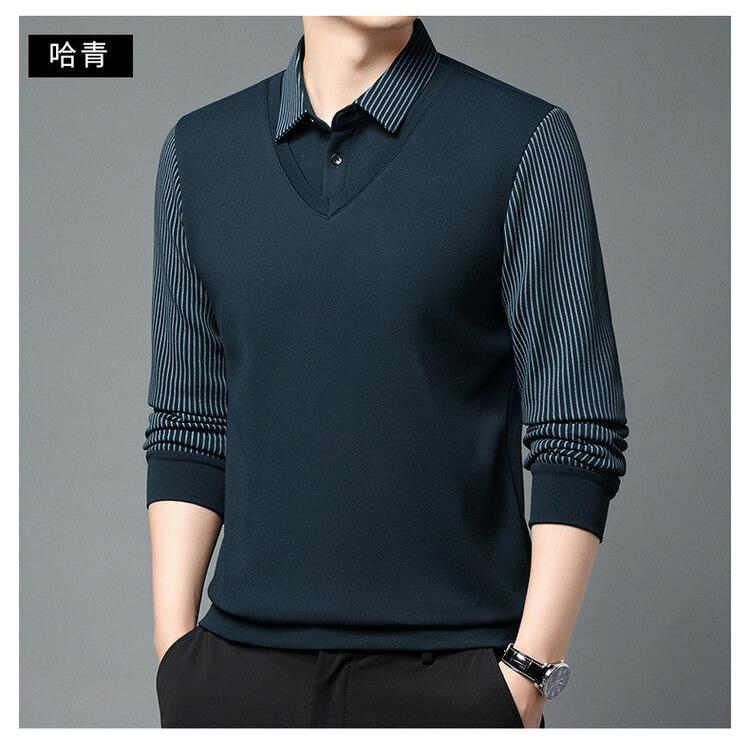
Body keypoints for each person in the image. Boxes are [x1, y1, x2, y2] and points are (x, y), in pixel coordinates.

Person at [143, 16, 628, 728]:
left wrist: (525, 675)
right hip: (234, 680)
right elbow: (189, 424)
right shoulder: (198, 151)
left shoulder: (522, 140)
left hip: (454, 677)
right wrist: (175, 657)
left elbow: (578, 429)